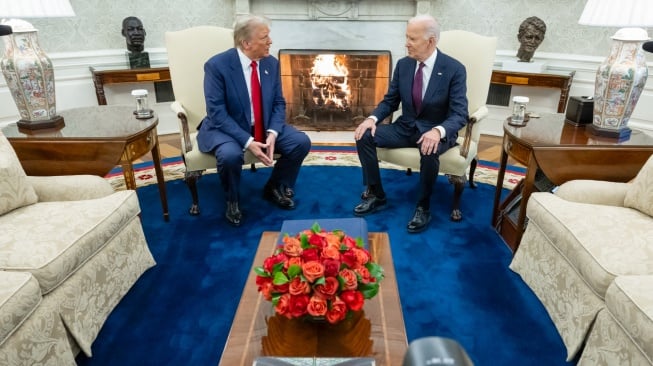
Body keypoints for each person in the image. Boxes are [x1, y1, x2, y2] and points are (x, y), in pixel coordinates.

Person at [352, 14, 468, 233]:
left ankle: (423, 207)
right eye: (406, 37)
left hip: (436, 130)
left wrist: (438, 131)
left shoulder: (454, 69)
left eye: (412, 39)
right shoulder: (404, 65)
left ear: (431, 41)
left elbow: (460, 113)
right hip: (405, 127)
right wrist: (371, 119)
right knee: (364, 135)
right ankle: (377, 194)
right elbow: (390, 101)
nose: (406, 43)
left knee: (429, 146)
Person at [196, 14, 311, 227]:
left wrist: (273, 133)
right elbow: (217, 113)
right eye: (265, 37)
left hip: (263, 124)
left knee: (300, 142)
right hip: (226, 128)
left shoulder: (271, 64)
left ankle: (275, 187)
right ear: (246, 43)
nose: (271, 41)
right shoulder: (217, 66)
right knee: (230, 155)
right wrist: (248, 142)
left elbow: (278, 103)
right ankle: (232, 200)